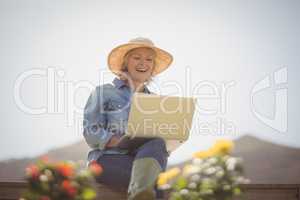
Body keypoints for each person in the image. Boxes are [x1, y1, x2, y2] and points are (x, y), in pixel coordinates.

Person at [83, 37, 173, 200]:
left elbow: (158, 147)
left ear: (152, 67)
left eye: (148, 60)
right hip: (107, 160)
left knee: (158, 142)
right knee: (156, 188)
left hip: (144, 162)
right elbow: (91, 132)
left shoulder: (156, 101)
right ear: (125, 63)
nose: (143, 63)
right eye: (136, 58)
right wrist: (121, 140)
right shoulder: (103, 92)